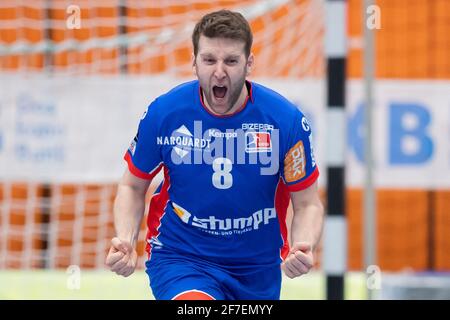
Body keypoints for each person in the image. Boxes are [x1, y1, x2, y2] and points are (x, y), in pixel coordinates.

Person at [106, 9, 324, 300]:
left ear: (249, 64)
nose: (219, 72)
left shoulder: (285, 121)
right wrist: (125, 239)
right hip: (181, 259)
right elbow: (132, 185)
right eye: (209, 60)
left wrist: (303, 244)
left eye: (231, 61)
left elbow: (308, 203)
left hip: (257, 270)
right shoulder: (165, 113)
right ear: (194, 62)